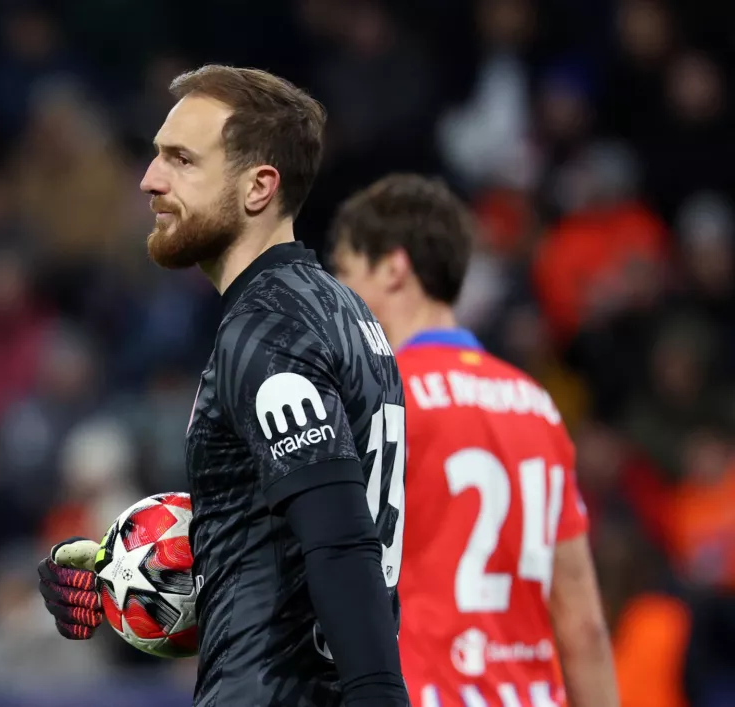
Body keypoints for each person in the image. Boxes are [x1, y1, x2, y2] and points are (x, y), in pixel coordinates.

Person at [37, 65, 410, 707]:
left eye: (181, 160)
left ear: (259, 187)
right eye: (156, 156)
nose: (151, 180)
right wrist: (123, 570)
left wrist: (379, 695)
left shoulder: (269, 328)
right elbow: (289, 537)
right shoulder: (342, 313)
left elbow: (341, 538)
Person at [330, 174, 619, 707]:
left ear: (394, 268)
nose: (338, 298)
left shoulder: (373, 402)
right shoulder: (538, 406)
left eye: (346, 274)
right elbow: (583, 626)